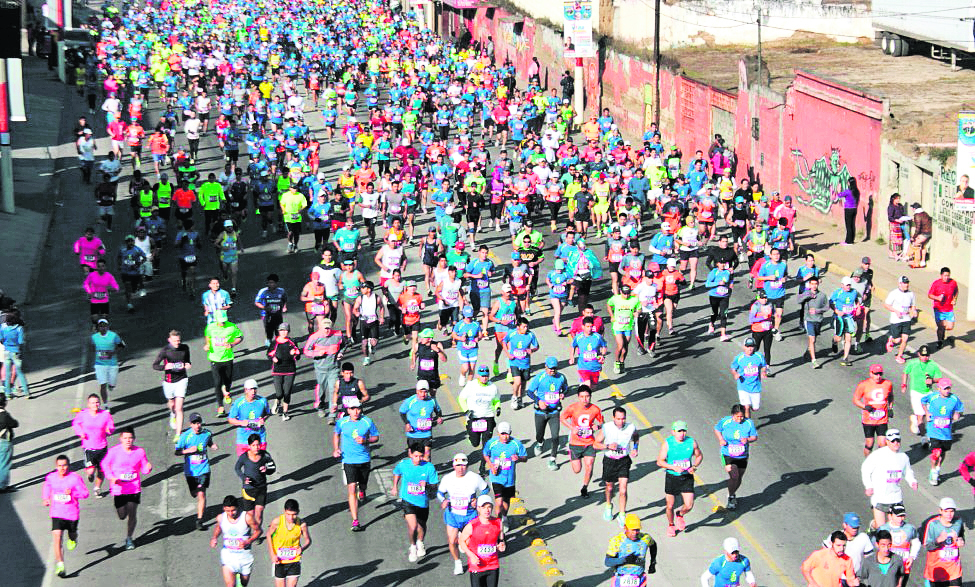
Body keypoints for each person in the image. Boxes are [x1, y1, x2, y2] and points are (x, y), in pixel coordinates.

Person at [101, 425, 153, 550]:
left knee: (132, 513)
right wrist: (111, 477)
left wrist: (148, 468)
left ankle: (129, 538)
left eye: (130, 438)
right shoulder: (114, 451)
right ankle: (126, 527)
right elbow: (104, 464)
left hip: (134, 487)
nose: (128, 440)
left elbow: (144, 468)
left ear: (134, 438)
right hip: (119, 488)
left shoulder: (139, 452)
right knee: (122, 515)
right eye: (125, 438)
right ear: (120, 439)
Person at [332, 398, 379, 532]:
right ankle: (355, 520)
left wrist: (366, 440)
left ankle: (363, 490)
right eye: (352, 409)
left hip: (364, 460)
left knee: (362, 485)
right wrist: (336, 449)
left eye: (358, 408)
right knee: (352, 489)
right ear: (348, 410)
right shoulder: (342, 422)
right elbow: (336, 434)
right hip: (348, 461)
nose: (355, 411)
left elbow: (376, 437)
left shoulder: (367, 421)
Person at [438, 452, 489, 575]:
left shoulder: (474, 477)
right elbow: (440, 493)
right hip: (453, 514)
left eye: (463, 465)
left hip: (470, 515)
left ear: (467, 465)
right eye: (458, 465)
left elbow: (486, 488)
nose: (461, 468)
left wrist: (478, 500)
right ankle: (458, 563)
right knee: (452, 541)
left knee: (471, 541)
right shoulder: (447, 478)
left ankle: (466, 544)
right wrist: (443, 500)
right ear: (454, 465)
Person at [42, 455, 90, 578]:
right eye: (60, 466)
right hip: (57, 513)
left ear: (68, 466)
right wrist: (46, 498)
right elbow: (47, 486)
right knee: (57, 538)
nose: (62, 468)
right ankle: (60, 565)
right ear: (56, 466)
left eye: (64, 465)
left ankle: (73, 538)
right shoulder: (51, 477)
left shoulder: (75, 478)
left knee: (72, 535)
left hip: (72, 514)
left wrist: (73, 493)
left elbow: (85, 494)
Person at [860, 429, 917, 532]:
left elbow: (908, 472)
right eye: (892, 441)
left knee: (896, 527)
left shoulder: (903, 457)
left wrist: (912, 481)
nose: (896, 443)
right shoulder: (878, 455)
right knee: (882, 529)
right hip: (880, 497)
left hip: (896, 497)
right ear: (886, 441)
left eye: (898, 440)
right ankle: (873, 525)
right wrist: (868, 486)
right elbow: (865, 469)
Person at [392, 442, 440, 563]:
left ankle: (420, 542)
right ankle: (413, 547)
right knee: (413, 526)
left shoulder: (429, 467)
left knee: (421, 526)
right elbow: (397, 472)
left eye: (420, 456)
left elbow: (435, 486)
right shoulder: (404, 464)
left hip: (423, 502)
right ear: (410, 454)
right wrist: (394, 486)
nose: (418, 459)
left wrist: (427, 485)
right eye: (415, 456)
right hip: (408, 500)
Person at [657, 420, 703, 537]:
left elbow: (699, 456)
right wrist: (673, 467)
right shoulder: (668, 443)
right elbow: (660, 461)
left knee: (689, 505)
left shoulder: (691, 442)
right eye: (679, 431)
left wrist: (694, 466)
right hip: (672, 477)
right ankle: (671, 525)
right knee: (670, 506)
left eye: (684, 431)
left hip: (686, 476)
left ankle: (680, 514)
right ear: (673, 432)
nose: (682, 433)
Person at [594, 407, 639, 524]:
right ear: (613, 418)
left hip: (624, 461)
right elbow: (595, 444)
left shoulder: (631, 427)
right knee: (609, 488)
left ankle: (622, 514)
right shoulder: (606, 427)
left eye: (623, 418)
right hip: (610, 461)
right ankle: (608, 506)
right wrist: (607, 446)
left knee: (623, 490)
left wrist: (635, 448)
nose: (621, 421)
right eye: (618, 419)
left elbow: (636, 436)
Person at [175, 412, 217, 531]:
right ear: (190, 424)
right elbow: (177, 452)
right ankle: (195, 493)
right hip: (191, 472)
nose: (197, 425)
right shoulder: (185, 436)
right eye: (194, 423)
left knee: (201, 493)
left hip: (204, 469)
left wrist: (212, 445)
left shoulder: (207, 433)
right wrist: (187, 451)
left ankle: (199, 520)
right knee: (195, 493)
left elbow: (208, 441)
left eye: (198, 423)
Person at [482, 421, 526, 531]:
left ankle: (504, 517)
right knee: (499, 501)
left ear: (510, 433)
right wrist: (491, 465)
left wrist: (519, 458)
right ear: (498, 433)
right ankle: (498, 523)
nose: (504, 436)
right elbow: (485, 453)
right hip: (496, 477)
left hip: (510, 479)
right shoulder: (492, 443)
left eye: (507, 434)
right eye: (502, 434)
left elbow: (525, 457)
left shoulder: (516, 444)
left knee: (506, 503)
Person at [561, 385, 604, 498]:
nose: (585, 399)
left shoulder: (595, 409)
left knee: (589, 465)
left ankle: (584, 488)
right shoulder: (573, 408)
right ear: (578, 397)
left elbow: (602, 423)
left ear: (590, 396)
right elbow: (562, 418)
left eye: (587, 396)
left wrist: (597, 427)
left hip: (589, 443)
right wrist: (572, 428)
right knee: (577, 470)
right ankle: (572, 454)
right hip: (575, 443)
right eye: (582, 397)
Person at [525, 357, 567, 470]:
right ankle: (540, 442)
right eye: (550, 369)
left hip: (554, 412)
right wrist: (539, 401)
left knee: (555, 436)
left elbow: (565, 388)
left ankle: (553, 459)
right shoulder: (540, 377)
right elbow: (529, 392)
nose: (552, 371)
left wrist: (563, 394)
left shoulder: (561, 377)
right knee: (539, 434)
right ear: (545, 366)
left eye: (554, 369)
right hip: (540, 412)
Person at [713, 404, 757, 511]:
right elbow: (717, 429)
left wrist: (748, 440)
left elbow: (754, 437)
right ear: (732, 415)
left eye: (741, 417)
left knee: (739, 478)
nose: (739, 419)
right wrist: (721, 439)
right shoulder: (725, 421)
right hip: (728, 453)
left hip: (742, 455)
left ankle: (731, 493)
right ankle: (731, 497)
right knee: (734, 476)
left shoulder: (748, 423)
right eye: (737, 416)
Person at [211, 495, 262, 587]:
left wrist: (248, 541)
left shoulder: (247, 517)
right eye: (227, 511)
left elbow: (258, 531)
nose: (231, 513)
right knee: (230, 585)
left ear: (238, 507)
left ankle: (240, 580)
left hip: (244, 557)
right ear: (224, 509)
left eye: (233, 510)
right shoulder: (221, 518)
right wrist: (214, 537)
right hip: (228, 556)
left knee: (243, 584)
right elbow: (218, 527)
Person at [921, 378, 964, 485]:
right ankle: (933, 471)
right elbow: (923, 401)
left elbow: (960, 408)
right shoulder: (933, 397)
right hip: (934, 430)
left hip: (946, 432)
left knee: (943, 452)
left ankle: (937, 469)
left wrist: (958, 414)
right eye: (945, 388)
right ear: (939, 388)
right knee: (936, 452)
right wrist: (926, 413)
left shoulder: (954, 399)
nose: (947, 390)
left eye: (948, 388)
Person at [152, 329, 191, 439]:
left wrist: (188, 364)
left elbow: (188, 361)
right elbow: (154, 365)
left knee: (179, 408)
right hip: (169, 382)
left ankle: (178, 434)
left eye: (178, 341)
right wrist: (164, 367)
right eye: (174, 341)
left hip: (182, 380)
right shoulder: (165, 351)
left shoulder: (185, 348)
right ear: (169, 340)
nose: (177, 343)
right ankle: (172, 414)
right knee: (172, 404)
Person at [72, 394, 114, 495]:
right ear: (88, 404)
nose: (95, 404)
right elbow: (75, 423)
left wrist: (109, 430)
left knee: (102, 470)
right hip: (89, 448)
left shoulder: (105, 414)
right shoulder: (83, 414)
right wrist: (80, 433)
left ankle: (97, 488)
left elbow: (111, 426)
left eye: (97, 402)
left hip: (102, 447)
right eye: (93, 402)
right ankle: (90, 475)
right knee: (91, 471)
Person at [459, 494, 506, 587]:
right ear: (478, 508)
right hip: (477, 566)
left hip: (493, 565)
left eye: (489, 507)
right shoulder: (472, 525)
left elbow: (501, 541)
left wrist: (501, 546)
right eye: (483, 507)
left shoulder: (498, 523)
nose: (487, 510)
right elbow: (461, 541)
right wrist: (471, 555)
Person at [234, 434, 277, 533]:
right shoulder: (244, 457)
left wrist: (266, 469)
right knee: (250, 514)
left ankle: (256, 532)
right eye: (253, 445)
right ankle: (249, 529)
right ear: (249, 446)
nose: (256, 447)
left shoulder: (265, 455)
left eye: (258, 445)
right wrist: (244, 478)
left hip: (261, 488)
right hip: (248, 489)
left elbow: (273, 468)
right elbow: (237, 468)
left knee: (259, 512)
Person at [458, 365, 502, 462]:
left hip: (488, 417)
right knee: (475, 443)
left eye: (486, 375)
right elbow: (461, 398)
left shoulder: (493, 387)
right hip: (474, 417)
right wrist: (466, 410)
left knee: (486, 445)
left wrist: (497, 407)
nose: (484, 378)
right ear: (477, 375)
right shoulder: (471, 385)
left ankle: (482, 468)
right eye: (482, 376)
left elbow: (496, 400)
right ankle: (471, 436)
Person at [303, 316, 344, 418]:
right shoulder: (314, 337)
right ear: (320, 327)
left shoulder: (338, 334)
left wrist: (341, 353)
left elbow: (344, 344)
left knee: (334, 390)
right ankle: (321, 406)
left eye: (328, 328)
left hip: (334, 368)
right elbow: (306, 351)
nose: (326, 330)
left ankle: (332, 414)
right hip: (320, 369)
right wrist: (317, 353)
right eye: (325, 328)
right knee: (321, 389)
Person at [204, 311, 243, 417]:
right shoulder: (210, 327)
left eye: (224, 320)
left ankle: (226, 390)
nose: (223, 322)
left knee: (228, 381)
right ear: (216, 319)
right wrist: (207, 344)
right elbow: (207, 336)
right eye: (221, 321)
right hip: (214, 359)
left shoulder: (232, 327)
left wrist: (232, 344)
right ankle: (220, 407)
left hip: (227, 358)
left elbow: (240, 337)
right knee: (217, 382)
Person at [267, 499, 312, 587]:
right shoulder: (277, 522)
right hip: (279, 560)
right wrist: (272, 554)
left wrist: (302, 548)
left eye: (294, 514)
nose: (291, 518)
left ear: (298, 512)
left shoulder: (302, 524)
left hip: (294, 559)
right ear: (284, 511)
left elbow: (308, 540)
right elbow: (268, 535)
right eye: (288, 514)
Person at [920, 497, 965, 586]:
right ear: (940, 511)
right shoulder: (933, 524)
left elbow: (961, 537)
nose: (949, 514)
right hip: (937, 570)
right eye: (946, 511)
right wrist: (938, 540)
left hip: (954, 569)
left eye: (951, 511)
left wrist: (961, 541)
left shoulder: (958, 522)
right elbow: (928, 546)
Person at [852, 364, 894, 457]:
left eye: (880, 374)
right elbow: (855, 399)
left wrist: (890, 407)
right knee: (869, 443)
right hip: (869, 420)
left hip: (882, 419)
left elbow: (891, 395)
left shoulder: (887, 384)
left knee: (883, 444)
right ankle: (868, 462)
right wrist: (864, 406)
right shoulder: (863, 385)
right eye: (875, 374)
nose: (878, 376)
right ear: (871, 373)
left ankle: (880, 464)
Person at [604, 514, 657, 585]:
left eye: (637, 530)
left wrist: (653, 563)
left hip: (639, 578)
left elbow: (653, 545)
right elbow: (607, 562)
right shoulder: (617, 541)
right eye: (632, 530)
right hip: (620, 579)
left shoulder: (645, 538)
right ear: (625, 527)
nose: (635, 533)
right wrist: (624, 560)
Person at [902, 345, 941, 436]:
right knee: (921, 415)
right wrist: (904, 384)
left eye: (927, 355)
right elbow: (905, 373)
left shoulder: (933, 365)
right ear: (918, 354)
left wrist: (932, 380)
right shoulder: (912, 363)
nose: (924, 357)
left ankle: (916, 421)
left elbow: (939, 379)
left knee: (926, 414)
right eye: (922, 355)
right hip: (916, 392)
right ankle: (924, 438)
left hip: (928, 392)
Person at [878, 503, 922, 581]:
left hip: (904, 565)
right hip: (887, 565)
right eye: (897, 516)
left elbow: (916, 543)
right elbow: (876, 545)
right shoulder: (883, 529)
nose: (900, 519)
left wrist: (912, 557)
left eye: (902, 516)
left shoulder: (909, 528)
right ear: (890, 515)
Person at [503, 318, 539, 410]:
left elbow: (537, 346)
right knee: (517, 381)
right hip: (514, 362)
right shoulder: (512, 333)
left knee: (523, 383)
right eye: (523, 327)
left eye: (527, 326)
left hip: (525, 363)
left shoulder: (530, 335)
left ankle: (520, 399)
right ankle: (514, 397)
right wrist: (508, 354)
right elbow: (504, 341)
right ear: (518, 327)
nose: (526, 328)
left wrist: (532, 350)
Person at [228, 379, 271, 456]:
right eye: (250, 389)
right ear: (245, 390)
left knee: (259, 463)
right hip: (244, 439)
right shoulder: (239, 403)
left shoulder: (262, 401)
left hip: (259, 437)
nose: (253, 391)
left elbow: (267, 413)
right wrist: (241, 422)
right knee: (246, 465)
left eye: (255, 389)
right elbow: (230, 419)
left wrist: (263, 419)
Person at [268, 323, 300, 421]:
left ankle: (285, 413)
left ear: (288, 331)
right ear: (278, 331)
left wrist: (295, 353)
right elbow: (269, 354)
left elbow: (298, 355)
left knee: (287, 392)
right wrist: (273, 358)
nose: (283, 332)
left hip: (290, 370)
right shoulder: (274, 343)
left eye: (285, 330)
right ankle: (277, 401)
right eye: (281, 330)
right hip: (277, 371)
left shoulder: (292, 341)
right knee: (279, 393)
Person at [606, 285, 640, 374]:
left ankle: (622, 362)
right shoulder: (615, 298)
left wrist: (637, 312)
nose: (626, 295)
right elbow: (609, 305)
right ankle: (617, 362)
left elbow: (639, 308)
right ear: (621, 292)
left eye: (628, 293)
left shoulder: (634, 299)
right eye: (624, 294)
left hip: (628, 326)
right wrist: (612, 316)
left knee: (625, 348)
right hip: (617, 326)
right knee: (620, 345)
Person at [729, 338, 767, 419]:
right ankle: (747, 423)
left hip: (755, 386)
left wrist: (763, 372)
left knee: (755, 408)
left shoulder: (759, 356)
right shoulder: (740, 358)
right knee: (746, 407)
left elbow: (764, 366)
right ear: (744, 347)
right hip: (743, 386)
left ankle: (749, 408)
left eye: (752, 346)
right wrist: (735, 374)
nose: (750, 348)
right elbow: (733, 368)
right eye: (747, 346)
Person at [90, 319, 125, 405]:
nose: (103, 328)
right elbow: (92, 348)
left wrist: (112, 352)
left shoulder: (113, 336)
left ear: (108, 327)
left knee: (112, 384)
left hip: (112, 364)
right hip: (99, 365)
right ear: (98, 327)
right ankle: (106, 405)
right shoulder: (94, 337)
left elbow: (122, 345)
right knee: (102, 385)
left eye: (105, 326)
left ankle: (111, 385)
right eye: (101, 326)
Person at [883, 276, 917, 364]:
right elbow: (886, 304)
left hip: (906, 319)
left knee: (905, 339)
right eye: (904, 283)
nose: (906, 285)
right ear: (899, 284)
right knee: (897, 340)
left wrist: (913, 311)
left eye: (907, 283)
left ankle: (899, 356)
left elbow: (912, 305)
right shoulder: (894, 293)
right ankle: (891, 340)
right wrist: (895, 311)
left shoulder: (911, 294)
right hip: (896, 320)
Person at [829, 276, 862, 367]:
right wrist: (837, 311)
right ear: (842, 285)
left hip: (849, 318)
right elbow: (830, 302)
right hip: (839, 318)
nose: (848, 287)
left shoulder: (854, 292)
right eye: (847, 285)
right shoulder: (838, 292)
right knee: (839, 338)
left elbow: (856, 300)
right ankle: (834, 341)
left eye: (849, 285)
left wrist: (858, 307)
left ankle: (845, 358)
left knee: (849, 338)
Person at [0, 313, 30, 399]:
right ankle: (27, 393)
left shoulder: (3, 327)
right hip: (16, 352)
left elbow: (1, 339)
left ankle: (8, 394)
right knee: (20, 373)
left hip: (7, 351)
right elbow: (20, 342)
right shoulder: (19, 328)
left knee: (7, 373)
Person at [928, 267, 959, 348]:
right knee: (941, 326)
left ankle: (942, 332)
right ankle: (940, 341)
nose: (947, 277)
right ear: (941, 275)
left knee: (949, 327)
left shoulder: (953, 283)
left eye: (948, 276)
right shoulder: (936, 284)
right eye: (945, 276)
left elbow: (956, 291)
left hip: (949, 309)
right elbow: (930, 295)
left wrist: (954, 299)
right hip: (939, 309)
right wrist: (937, 298)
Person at [835, 177, 860, 245]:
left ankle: (848, 241)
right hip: (854, 209)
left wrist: (838, 190)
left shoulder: (848, 191)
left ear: (850, 183)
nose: (847, 183)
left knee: (848, 225)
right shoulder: (857, 191)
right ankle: (852, 240)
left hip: (848, 209)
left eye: (848, 182)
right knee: (852, 225)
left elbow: (839, 195)